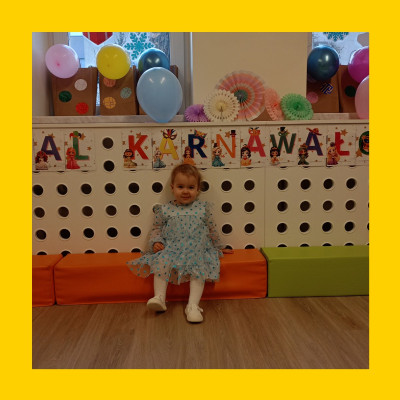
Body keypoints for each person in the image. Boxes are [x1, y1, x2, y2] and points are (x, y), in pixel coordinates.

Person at [127, 164, 232, 323]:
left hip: (197, 249)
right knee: (162, 262)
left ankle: (193, 305)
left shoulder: (203, 208)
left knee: (198, 270)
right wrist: (156, 242)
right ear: (172, 188)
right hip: (172, 248)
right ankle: (159, 297)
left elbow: (212, 229)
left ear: (198, 189)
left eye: (191, 187)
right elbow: (156, 229)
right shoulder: (165, 210)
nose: (185, 191)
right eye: (180, 186)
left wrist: (219, 246)